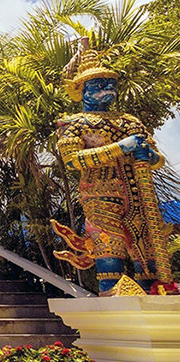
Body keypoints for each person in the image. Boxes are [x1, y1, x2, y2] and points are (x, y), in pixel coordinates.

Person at [50, 38, 174, 294]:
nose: (106, 88)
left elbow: (158, 159)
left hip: (141, 198)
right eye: (97, 84)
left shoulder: (130, 121)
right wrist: (121, 147)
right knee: (110, 262)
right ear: (81, 89)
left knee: (149, 263)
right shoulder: (75, 124)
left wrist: (150, 157)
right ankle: (113, 306)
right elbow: (73, 160)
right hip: (101, 199)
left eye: (110, 84)